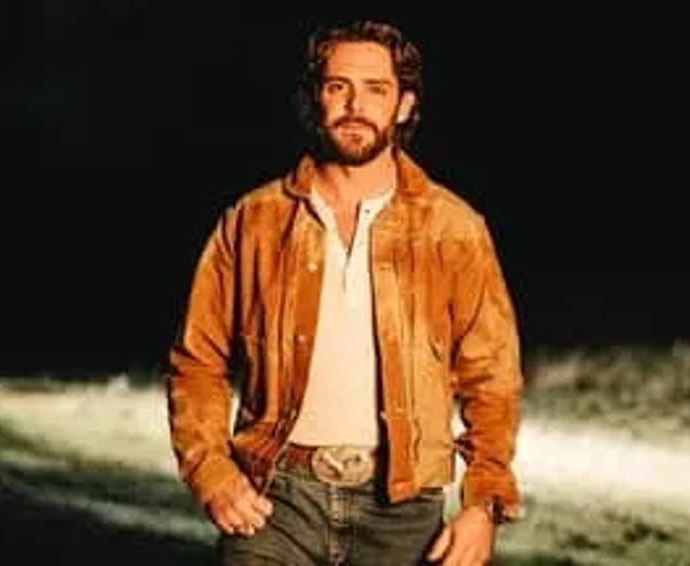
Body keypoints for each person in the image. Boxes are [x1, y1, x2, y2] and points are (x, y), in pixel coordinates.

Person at [166, 20, 523, 565]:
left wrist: (483, 506)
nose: (355, 106)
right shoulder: (253, 221)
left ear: (403, 105)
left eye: (376, 89)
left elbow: (493, 379)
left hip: (402, 513)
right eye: (338, 87)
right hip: (276, 501)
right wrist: (211, 471)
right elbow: (197, 361)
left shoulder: (452, 229)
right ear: (316, 97)